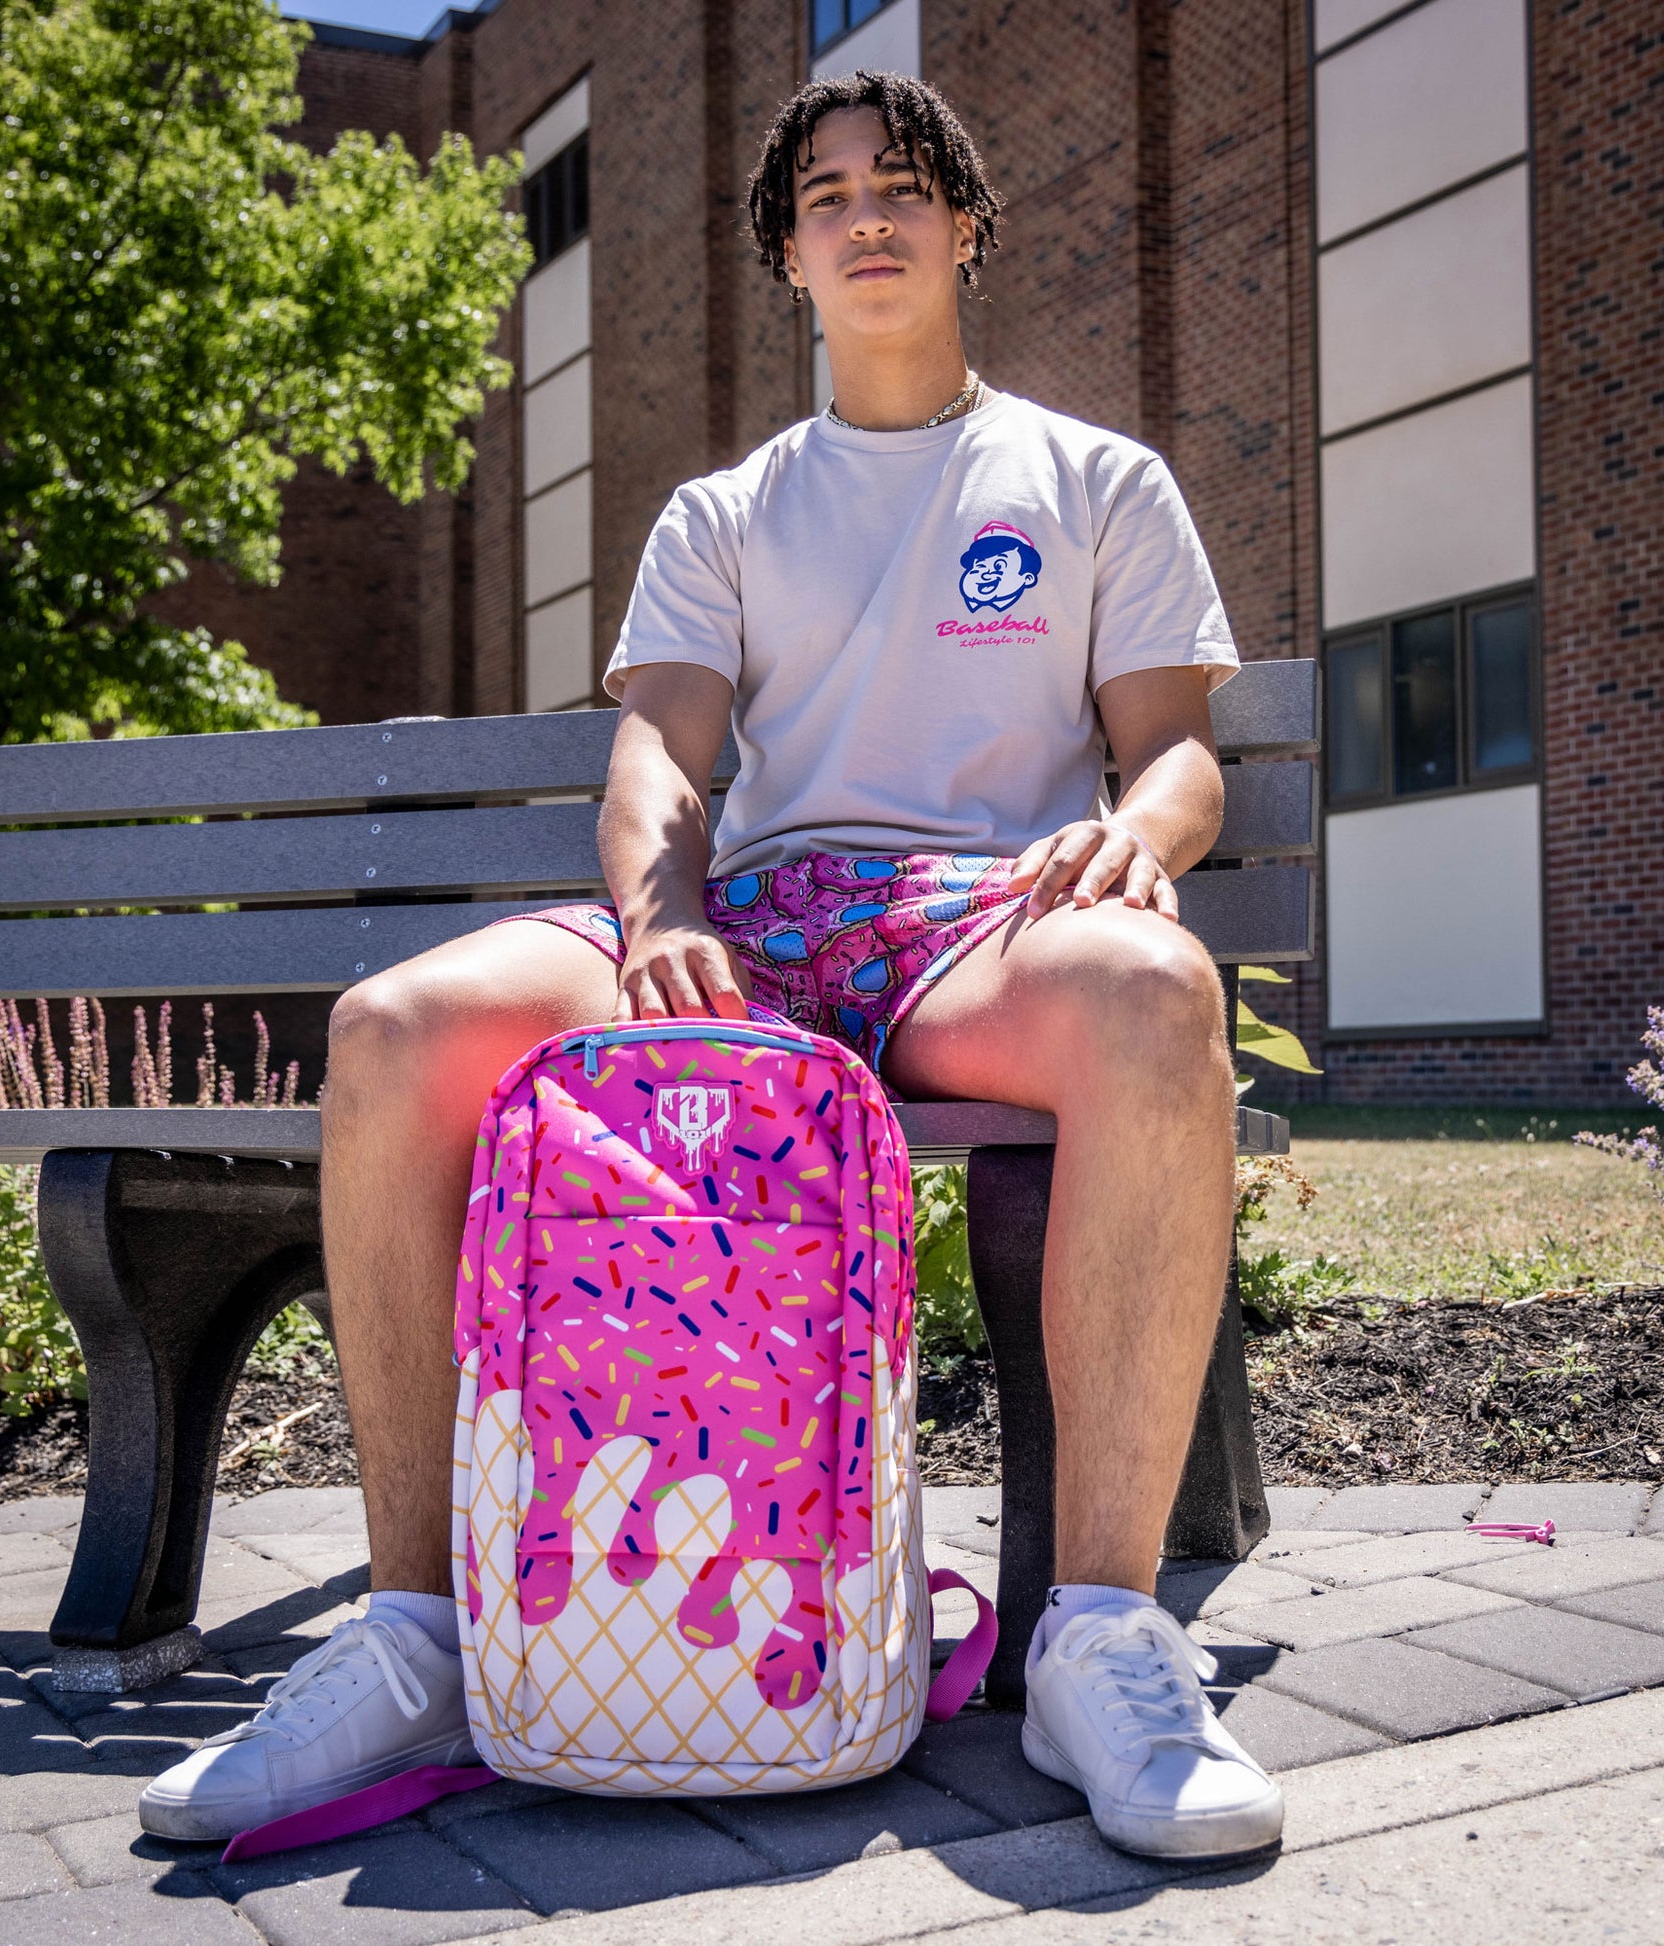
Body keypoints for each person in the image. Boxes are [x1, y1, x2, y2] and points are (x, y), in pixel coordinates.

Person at [141, 69, 1283, 1863]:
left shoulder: (1091, 480)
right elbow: (659, 763)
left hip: (971, 924)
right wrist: (666, 912)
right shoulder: (723, 513)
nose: (869, 216)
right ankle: (420, 1636)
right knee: (389, 1033)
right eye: (826, 198)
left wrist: (1146, 833)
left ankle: (1097, 1638)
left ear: (967, 223)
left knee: (1155, 996)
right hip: (749, 923)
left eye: (904, 186)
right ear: (789, 259)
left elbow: (1179, 750)